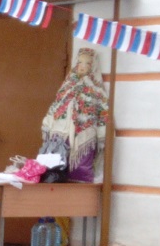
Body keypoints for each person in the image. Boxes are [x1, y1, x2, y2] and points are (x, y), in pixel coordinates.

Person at [39, 47, 109, 183]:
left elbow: (103, 111)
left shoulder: (96, 89)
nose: (82, 66)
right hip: (61, 132)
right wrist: (47, 123)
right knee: (55, 162)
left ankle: (80, 184)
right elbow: (57, 104)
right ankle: (55, 176)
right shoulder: (67, 85)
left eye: (87, 63)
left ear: (93, 66)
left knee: (81, 164)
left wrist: (102, 132)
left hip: (83, 134)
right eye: (80, 62)